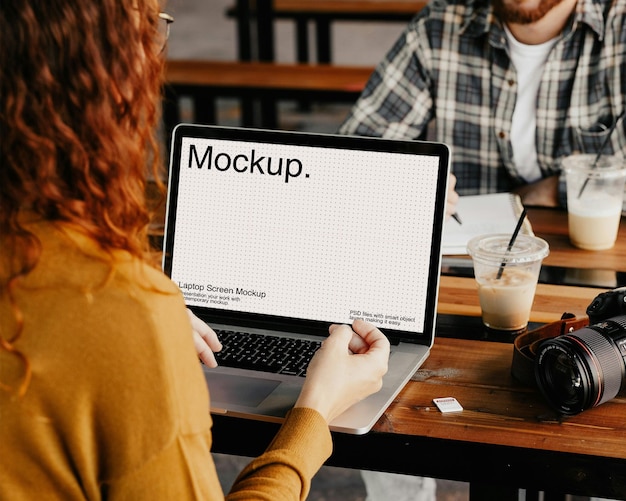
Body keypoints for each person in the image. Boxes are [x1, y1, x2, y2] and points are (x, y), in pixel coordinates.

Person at [0, 1, 390, 499]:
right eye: (150, 28)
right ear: (104, 74)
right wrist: (315, 410)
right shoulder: (121, 308)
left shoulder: (109, 301)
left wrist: (140, 319)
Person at [337, 0, 625, 499]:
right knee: (377, 377)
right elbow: (355, 153)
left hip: (590, 291)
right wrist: (402, 177)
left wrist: (546, 192)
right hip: (463, 283)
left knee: (596, 436)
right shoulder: (440, 25)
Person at [338, 0, 626, 216]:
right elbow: (350, 158)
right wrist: (401, 184)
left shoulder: (620, 28)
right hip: (467, 264)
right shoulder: (437, 27)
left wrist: (556, 190)